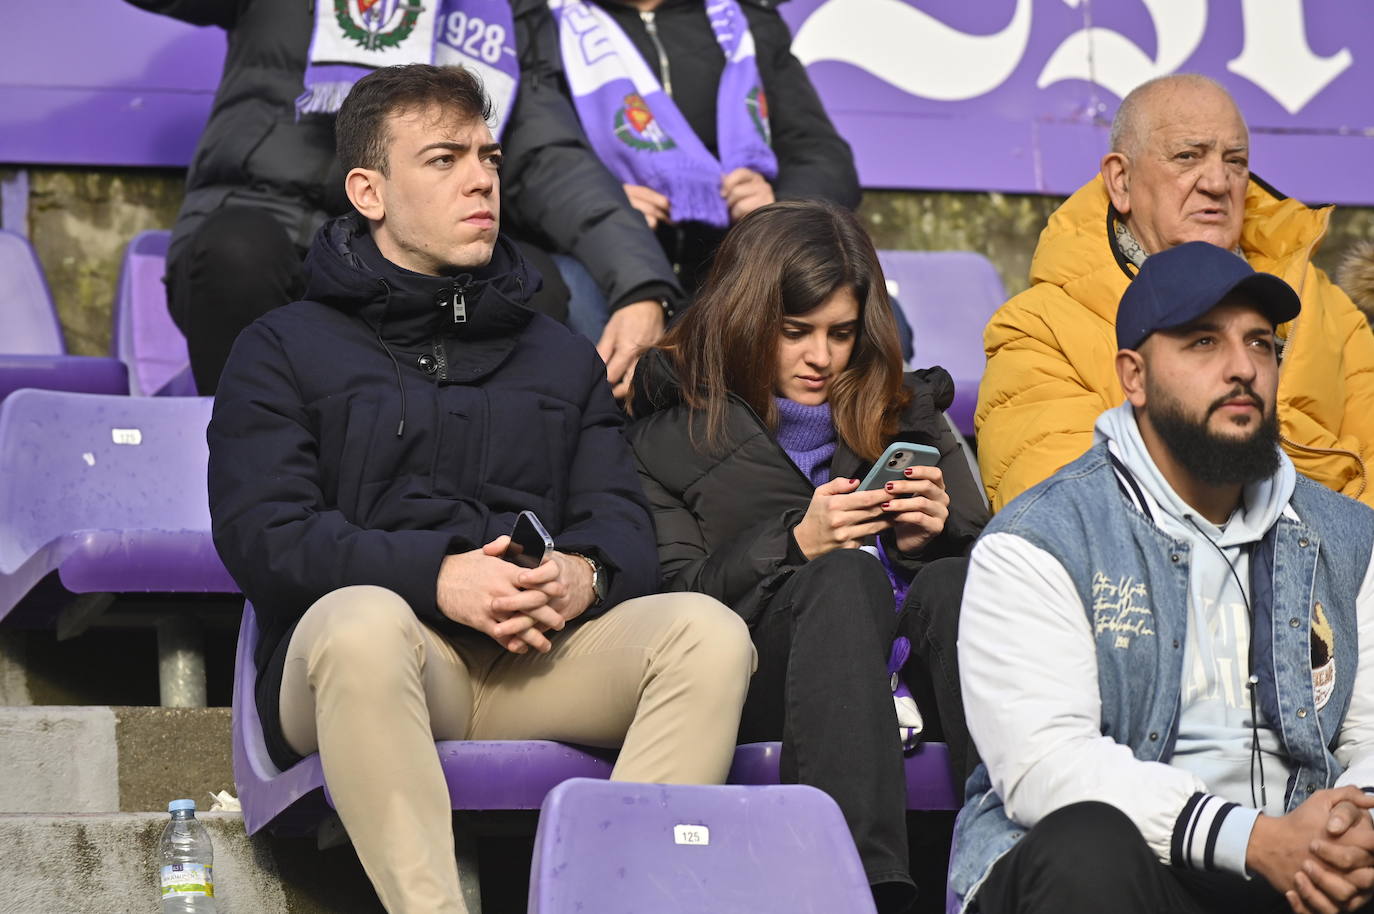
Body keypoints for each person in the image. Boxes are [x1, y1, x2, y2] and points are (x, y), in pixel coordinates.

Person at [207, 64, 754, 914]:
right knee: (361, 625)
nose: (480, 180)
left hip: (535, 663)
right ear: (369, 190)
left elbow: (621, 525)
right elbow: (265, 537)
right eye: (443, 159)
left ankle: (616, 902)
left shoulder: (559, 353)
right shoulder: (281, 346)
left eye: (489, 158)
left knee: (707, 634)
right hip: (375, 667)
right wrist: (438, 576)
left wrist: (586, 577)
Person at [951, 241, 1374, 914]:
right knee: (1086, 849)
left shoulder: (1349, 537)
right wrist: (1253, 838)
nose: (1243, 369)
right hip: (1135, 873)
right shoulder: (1040, 541)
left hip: (1294, 875)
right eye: (1203, 342)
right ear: (1135, 376)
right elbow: (1047, 767)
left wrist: (1352, 829)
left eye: (1262, 344)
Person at [627, 200, 988, 913]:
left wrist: (927, 545)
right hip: (769, 680)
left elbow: (1004, 578)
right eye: (795, 333)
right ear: (744, 318)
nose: (821, 358)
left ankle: (1016, 870)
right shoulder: (664, 438)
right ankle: (860, 889)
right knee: (845, 576)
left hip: (917, 680)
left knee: (954, 582)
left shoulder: (909, 412)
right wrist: (794, 544)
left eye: (841, 334)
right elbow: (664, 604)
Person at [975, 73, 1374, 513]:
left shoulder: (1327, 307)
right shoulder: (1037, 329)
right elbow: (1065, 516)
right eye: (1188, 156)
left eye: (1236, 161)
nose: (1218, 183)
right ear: (1121, 180)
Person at [125, 0, 567, 394]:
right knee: (238, 252)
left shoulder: (510, 9)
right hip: (262, 235)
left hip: (400, 253)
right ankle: (244, 452)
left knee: (527, 280)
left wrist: (635, 282)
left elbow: (553, 153)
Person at [502, 0, 875, 398]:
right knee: (596, 339)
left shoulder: (745, 19)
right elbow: (543, 163)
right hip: (599, 262)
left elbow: (821, 153)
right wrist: (637, 274)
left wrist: (776, 209)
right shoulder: (538, 18)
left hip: (729, 266)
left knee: (878, 324)